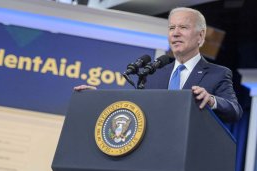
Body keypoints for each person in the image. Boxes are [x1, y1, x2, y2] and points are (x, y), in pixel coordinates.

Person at [75, 7, 243, 123]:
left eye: (183, 27)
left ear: (200, 36)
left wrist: (212, 100)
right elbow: (133, 109)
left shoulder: (217, 74)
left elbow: (235, 111)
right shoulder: (155, 74)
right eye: (171, 28)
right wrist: (96, 99)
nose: (175, 33)